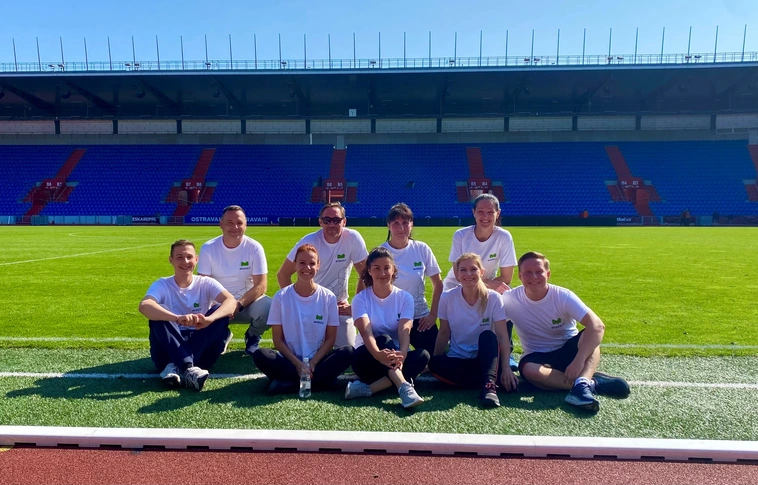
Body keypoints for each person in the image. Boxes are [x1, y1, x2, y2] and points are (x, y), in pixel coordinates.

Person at [502, 251, 631, 412]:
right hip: (537, 355)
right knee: (529, 371)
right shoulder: (509, 299)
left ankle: (582, 382)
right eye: (528, 272)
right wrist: (504, 367)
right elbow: (497, 330)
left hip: (568, 350)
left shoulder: (562, 296)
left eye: (539, 271)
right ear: (520, 276)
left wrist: (579, 360)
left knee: (591, 337)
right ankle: (588, 383)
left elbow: (597, 326)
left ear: (548, 274)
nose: (534, 277)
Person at [252, 244, 353, 394]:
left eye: (312, 263)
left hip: (317, 361)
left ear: (318, 265)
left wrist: (313, 363)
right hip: (290, 361)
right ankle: (322, 382)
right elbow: (277, 340)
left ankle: (288, 384)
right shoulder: (281, 297)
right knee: (260, 355)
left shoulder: (328, 297)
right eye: (302, 263)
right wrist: (298, 364)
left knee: (348, 352)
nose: (307, 268)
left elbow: (330, 340)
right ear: (294, 265)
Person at [139, 240, 237, 391]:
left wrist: (209, 319)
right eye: (179, 257)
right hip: (168, 350)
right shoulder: (162, 284)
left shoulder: (206, 283)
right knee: (159, 313)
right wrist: (176, 318)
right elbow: (145, 305)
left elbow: (231, 301)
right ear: (171, 260)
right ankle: (188, 368)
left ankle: (176, 367)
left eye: (189, 257)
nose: (185, 262)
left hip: (200, 348)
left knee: (220, 312)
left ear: (196, 259)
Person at [429, 253, 518, 408]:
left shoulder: (494, 298)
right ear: (457, 274)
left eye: (473, 269)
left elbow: (503, 336)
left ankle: (489, 387)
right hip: (459, 360)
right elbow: (444, 332)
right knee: (434, 363)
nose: (468, 274)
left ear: (481, 272)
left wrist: (505, 368)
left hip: (486, 359)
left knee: (488, 336)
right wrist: (435, 359)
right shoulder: (447, 297)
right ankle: (489, 378)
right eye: (463, 270)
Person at [344, 247, 428, 408]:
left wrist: (403, 355)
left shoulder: (405, 298)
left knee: (422, 355)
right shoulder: (360, 299)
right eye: (377, 268)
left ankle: (369, 389)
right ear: (369, 271)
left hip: (393, 359)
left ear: (393, 269)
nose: (382, 273)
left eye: (386, 268)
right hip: (367, 358)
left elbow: (404, 330)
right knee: (383, 338)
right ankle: (404, 386)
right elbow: (366, 331)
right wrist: (377, 354)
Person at [442, 193, 518, 370]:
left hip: (487, 283)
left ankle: (506, 350)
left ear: (498, 213)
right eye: (481, 211)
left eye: (490, 212)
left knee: (508, 298)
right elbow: (458, 272)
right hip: (458, 283)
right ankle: (454, 345)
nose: (485, 216)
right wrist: (485, 283)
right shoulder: (461, 235)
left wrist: (486, 285)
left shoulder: (504, 236)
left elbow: (507, 277)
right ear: (473, 212)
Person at [277, 202, 368, 348]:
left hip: (339, 306)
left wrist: (356, 306)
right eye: (327, 220)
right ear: (320, 222)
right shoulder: (309, 241)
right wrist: (297, 304)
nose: (331, 224)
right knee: (303, 349)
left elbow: (366, 275)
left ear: (344, 222)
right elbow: (283, 274)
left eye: (336, 220)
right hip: (311, 304)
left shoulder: (353, 238)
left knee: (348, 349)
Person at [198, 205, 272, 356]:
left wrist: (238, 304)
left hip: (246, 304)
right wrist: (222, 306)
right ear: (221, 224)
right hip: (218, 305)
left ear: (246, 225)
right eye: (230, 223)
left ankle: (252, 335)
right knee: (193, 307)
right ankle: (221, 333)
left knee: (270, 308)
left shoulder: (254, 247)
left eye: (239, 223)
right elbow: (204, 285)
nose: (235, 227)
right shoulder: (208, 248)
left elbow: (261, 285)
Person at [380, 203, 442, 354]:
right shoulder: (381, 253)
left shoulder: (421, 249)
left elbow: (438, 284)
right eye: (396, 223)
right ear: (389, 226)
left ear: (411, 224)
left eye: (405, 223)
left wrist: (432, 315)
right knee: (392, 358)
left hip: (419, 317)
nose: (401, 228)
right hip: (391, 319)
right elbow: (371, 287)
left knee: (436, 358)